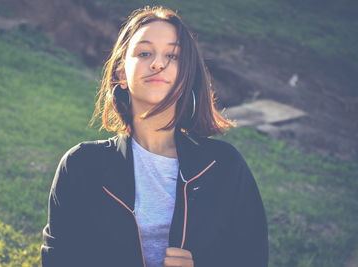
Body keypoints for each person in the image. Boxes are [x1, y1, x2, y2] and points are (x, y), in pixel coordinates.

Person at [41, 6, 268, 267]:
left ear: (186, 76)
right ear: (121, 74)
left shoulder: (225, 166)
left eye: (172, 55)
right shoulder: (80, 166)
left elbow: (252, 258)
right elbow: (59, 259)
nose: (158, 63)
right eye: (145, 52)